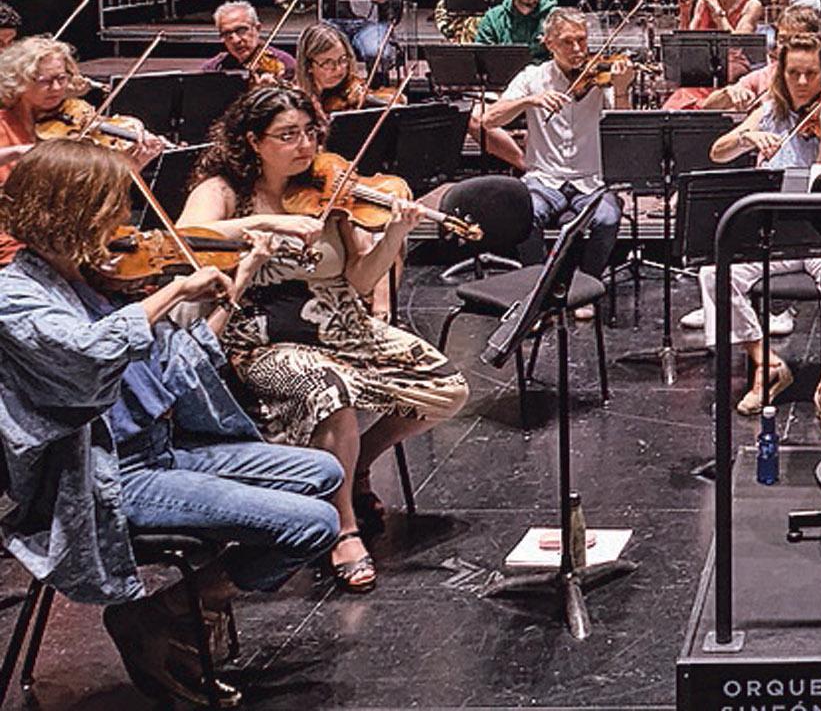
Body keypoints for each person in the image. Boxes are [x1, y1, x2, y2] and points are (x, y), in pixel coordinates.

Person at [0, 140, 341, 707]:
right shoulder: (16, 296)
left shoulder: (94, 277)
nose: (121, 221)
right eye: (110, 205)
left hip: (162, 446)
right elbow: (87, 355)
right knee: (313, 525)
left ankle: (178, 616)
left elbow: (176, 367)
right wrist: (174, 290)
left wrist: (242, 277)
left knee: (323, 472)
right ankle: (155, 617)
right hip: (108, 475)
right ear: (67, 209)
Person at [178, 85, 470, 593]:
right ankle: (342, 528)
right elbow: (187, 236)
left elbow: (358, 279)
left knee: (446, 388)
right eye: (287, 136)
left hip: (343, 327)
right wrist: (269, 221)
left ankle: (356, 470)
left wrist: (395, 235)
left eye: (309, 132)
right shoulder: (225, 189)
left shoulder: (331, 189)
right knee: (328, 389)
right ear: (253, 140)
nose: (305, 145)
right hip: (261, 341)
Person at [700, 32, 821, 433]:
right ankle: (767, 363)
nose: (802, 83)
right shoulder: (769, 110)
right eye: (793, 74)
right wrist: (745, 137)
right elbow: (716, 151)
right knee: (713, 271)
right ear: (781, 74)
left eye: (811, 74)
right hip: (774, 233)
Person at [481, 8, 631, 301]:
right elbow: (488, 120)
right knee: (526, 215)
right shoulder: (533, 77)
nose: (577, 50)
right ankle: (537, 290)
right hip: (544, 178)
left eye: (582, 41)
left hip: (591, 180)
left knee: (609, 218)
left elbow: (624, 126)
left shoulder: (599, 77)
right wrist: (528, 100)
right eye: (567, 42)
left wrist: (622, 90)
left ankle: (586, 285)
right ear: (548, 43)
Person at [0, 36, 165, 264]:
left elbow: (93, 197)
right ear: (18, 81)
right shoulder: (3, 125)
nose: (57, 88)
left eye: (62, 78)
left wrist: (134, 165)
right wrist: (20, 152)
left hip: (72, 236)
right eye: (44, 81)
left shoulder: (77, 120)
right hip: (16, 241)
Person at [667, 0, 764, 110]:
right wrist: (685, 12)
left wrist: (717, 11)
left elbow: (737, 43)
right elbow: (687, 46)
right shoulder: (703, 3)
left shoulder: (751, 5)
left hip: (732, 73)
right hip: (702, 73)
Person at [293, 23, 398, 115]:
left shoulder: (354, 92)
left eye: (342, 60)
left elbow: (396, 99)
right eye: (328, 63)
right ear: (309, 66)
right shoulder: (296, 102)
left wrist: (373, 99)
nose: (338, 69)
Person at [201, 1, 295, 74]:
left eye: (241, 30)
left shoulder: (285, 63)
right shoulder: (214, 68)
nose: (236, 40)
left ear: (257, 29)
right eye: (227, 34)